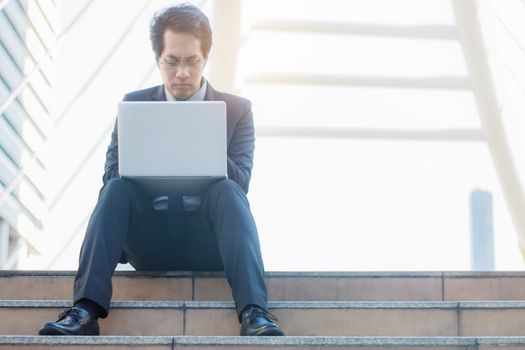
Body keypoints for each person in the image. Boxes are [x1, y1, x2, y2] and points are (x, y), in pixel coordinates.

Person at [38, 3, 284, 337]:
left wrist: (199, 134)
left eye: (191, 61)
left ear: (205, 59)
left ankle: (254, 312)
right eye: (172, 61)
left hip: (208, 242)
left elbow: (241, 183)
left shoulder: (236, 111)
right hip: (149, 241)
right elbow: (111, 175)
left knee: (226, 190)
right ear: (158, 60)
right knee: (116, 190)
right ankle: (84, 311)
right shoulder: (134, 106)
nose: (182, 72)